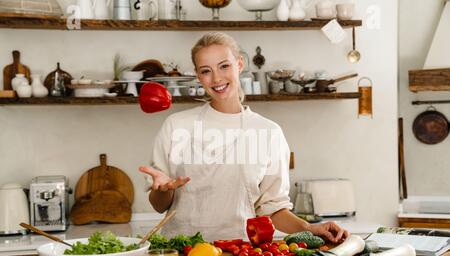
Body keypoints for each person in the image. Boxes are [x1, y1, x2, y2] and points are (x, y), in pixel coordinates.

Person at [140, 31, 349, 243]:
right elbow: (159, 205)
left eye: (224, 66)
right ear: (197, 75)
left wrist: (309, 227)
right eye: (206, 71)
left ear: (239, 64)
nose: (217, 78)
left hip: (240, 252)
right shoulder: (177, 126)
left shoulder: (268, 133)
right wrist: (163, 189)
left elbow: (273, 209)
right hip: (182, 252)